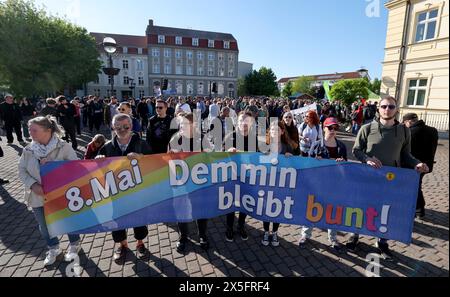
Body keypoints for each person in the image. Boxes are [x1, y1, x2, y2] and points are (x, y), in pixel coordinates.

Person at [349, 96, 429, 260]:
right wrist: (367, 159)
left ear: (396, 109)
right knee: (361, 208)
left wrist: (417, 164)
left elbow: (406, 155)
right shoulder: (366, 128)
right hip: (367, 179)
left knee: (384, 211)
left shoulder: (404, 130)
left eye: (391, 107)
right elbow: (356, 150)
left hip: (390, 181)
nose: (387, 109)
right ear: (378, 108)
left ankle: (382, 242)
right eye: (384, 106)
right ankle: (354, 236)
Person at [18, 116, 81, 266]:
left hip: (61, 193)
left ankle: (74, 245)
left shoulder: (63, 146)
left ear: (48, 130)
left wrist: (55, 166)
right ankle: (54, 249)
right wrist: (33, 185)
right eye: (29, 129)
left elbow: (75, 167)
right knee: (44, 225)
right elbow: (21, 170)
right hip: (38, 196)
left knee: (68, 219)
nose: (30, 132)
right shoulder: (28, 149)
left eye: (34, 130)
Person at [96, 113, 151, 261]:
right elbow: (95, 170)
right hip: (116, 192)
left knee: (139, 218)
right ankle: (123, 244)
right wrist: (98, 160)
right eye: (118, 127)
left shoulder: (141, 143)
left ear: (131, 126)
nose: (122, 129)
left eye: (126, 126)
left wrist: (142, 158)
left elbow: (155, 163)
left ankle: (140, 243)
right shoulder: (107, 147)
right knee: (117, 219)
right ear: (112, 127)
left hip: (137, 191)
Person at [298, 117, 346, 250]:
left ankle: (333, 238)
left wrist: (342, 164)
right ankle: (305, 235)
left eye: (335, 128)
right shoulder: (317, 144)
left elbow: (347, 169)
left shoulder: (341, 146)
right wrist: (315, 161)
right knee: (312, 209)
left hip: (334, 185)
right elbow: (309, 165)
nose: (333, 130)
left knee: (333, 212)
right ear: (324, 128)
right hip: (317, 184)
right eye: (330, 127)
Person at [168, 113, 210, 253]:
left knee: (200, 209)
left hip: (199, 181)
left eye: (186, 124)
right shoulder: (175, 139)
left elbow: (210, 158)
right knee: (181, 210)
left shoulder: (202, 139)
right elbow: (166, 160)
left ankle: (202, 235)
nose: (182, 126)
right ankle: (183, 236)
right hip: (180, 181)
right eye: (181, 124)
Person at [223, 112, 258, 242]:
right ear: (237, 122)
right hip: (232, 176)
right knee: (231, 203)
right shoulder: (229, 137)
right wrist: (227, 152)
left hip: (247, 177)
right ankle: (229, 227)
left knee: (245, 202)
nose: (244, 123)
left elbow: (258, 158)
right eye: (241, 120)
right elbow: (219, 158)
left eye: (247, 121)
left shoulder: (254, 139)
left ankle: (241, 225)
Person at [261, 121, 294, 247]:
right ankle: (265, 231)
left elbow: (296, 164)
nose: (275, 132)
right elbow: (258, 162)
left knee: (277, 209)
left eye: (278, 129)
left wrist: (289, 158)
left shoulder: (287, 147)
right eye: (272, 129)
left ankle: (274, 232)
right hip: (267, 182)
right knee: (265, 208)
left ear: (282, 131)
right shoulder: (264, 146)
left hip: (281, 184)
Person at [402, 113, 439, 218]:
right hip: (427, 164)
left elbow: (407, 151)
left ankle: (418, 210)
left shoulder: (410, 132)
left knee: (414, 187)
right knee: (417, 185)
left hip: (413, 165)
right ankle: (419, 209)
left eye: (405, 123)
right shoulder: (433, 130)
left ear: (408, 121)